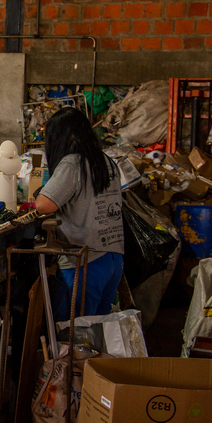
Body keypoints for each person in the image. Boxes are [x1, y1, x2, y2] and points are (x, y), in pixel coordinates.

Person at [34, 107, 124, 321]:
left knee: (72, 337)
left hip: (85, 262)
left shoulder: (73, 163)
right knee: (95, 332)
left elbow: (43, 205)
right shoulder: (106, 161)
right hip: (112, 260)